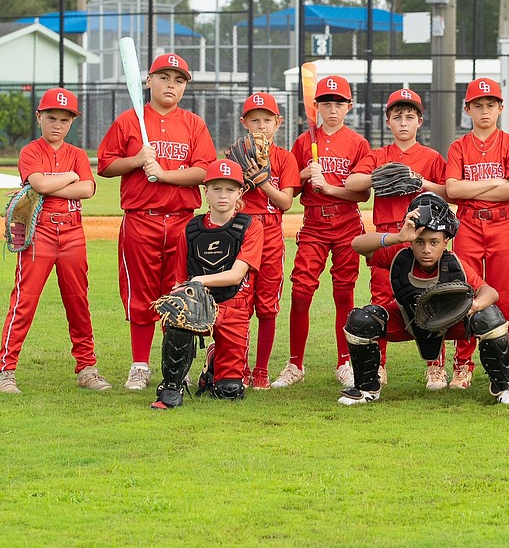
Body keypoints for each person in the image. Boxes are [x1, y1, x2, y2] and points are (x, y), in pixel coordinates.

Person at [339, 192, 509, 407]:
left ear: (446, 241)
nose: (426, 250)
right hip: (408, 321)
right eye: (419, 242)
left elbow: (490, 293)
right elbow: (357, 244)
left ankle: (505, 388)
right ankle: (366, 389)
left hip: (451, 323)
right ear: (411, 241)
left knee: (489, 316)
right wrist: (398, 237)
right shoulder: (399, 255)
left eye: (434, 242)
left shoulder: (456, 265)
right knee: (361, 319)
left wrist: (474, 306)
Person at [97, 52, 217, 391]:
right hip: (141, 219)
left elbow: (205, 171)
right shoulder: (129, 121)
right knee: (141, 295)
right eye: (164, 77)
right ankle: (139, 365)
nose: (171, 85)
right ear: (149, 81)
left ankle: (175, 365)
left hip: (182, 222)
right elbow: (105, 165)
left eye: (179, 81)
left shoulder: (193, 123)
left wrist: (164, 174)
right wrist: (136, 160)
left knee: (179, 295)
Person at [0, 88, 111, 394]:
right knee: (24, 302)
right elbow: (40, 184)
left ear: (72, 122)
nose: (57, 125)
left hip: (73, 233)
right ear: (39, 117)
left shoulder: (78, 154)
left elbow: (87, 190)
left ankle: (86, 368)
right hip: (40, 234)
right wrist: (70, 177)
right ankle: (5, 370)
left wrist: (54, 184)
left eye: (64, 119)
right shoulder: (30, 152)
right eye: (51, 118)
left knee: (78, 302)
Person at [345, 88, 448, 389]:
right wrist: (380, 175)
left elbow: (448, 191)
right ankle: (378, 365)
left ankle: (435, 366)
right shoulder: (378, 156)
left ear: (420, 121)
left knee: (431, 301)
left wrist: (420, 181)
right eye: (397, 116)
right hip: (388, 235)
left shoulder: (431, 156)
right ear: (388, 121)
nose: (404, 122)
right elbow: (352, 182)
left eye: (410, 117)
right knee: (381, 299)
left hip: (422, 237)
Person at [274, 75, 372, 388]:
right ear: (316, 106)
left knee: (344, 292)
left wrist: (329, 187)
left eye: (339, 104)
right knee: (301, 292)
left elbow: (362, 194)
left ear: (349, 106)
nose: (332, 109)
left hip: (346, 222)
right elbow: (290, 189)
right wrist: (305, 173)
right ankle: (295, 364)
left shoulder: (357, 143)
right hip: (314, 223)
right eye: (326, 103)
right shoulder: (304, 142)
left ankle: (345, 362)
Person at [151, 159, 265, 408]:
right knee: (177, 314)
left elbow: (236, 275)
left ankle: (214, 361)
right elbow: (180, 280)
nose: (223, 195)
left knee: (229, 391)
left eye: (230, 189)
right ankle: (172, 386)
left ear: (240, 193)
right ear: (206, 192)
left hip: (233, 303)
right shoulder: (191, 229)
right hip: (197, 302)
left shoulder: (251, 227)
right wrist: (174, 312)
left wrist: (199, 280)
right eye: (216, 188)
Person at [445, 78, 509, 389]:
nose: (484, 110)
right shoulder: (459, 146)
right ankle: (462, 366)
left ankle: (508, 366)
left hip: (501, 225)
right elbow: (453, 190)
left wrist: (475, 188)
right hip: (467, 224)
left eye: (490, 104)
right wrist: (496, 183)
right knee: (464, 295)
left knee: (505, 299)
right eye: (478, 105)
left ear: (500, 108)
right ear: (467, 109)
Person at [234, 93, 300, 390]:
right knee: (239, 303)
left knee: (267, 305)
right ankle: (239, 367)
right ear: (244, 122)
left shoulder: (285, 158)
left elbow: (285, 202)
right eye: (255, 120)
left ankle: (260, 369)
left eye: (267, 120)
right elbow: (225, 198)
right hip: (242, 230)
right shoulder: (236, 155)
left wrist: (261, 180)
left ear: (278, 122)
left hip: (271, 231)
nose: (261, 126)